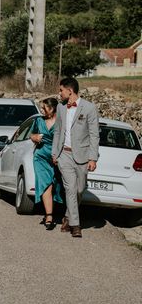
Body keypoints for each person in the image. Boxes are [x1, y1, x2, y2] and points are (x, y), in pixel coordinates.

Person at [52, 77, 100, 238]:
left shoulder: (89, 108)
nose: (59, 94)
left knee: (79, 190)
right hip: (64, 154)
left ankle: (67, 216)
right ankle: (75, 225)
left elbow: (94, 135)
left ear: (70, 90)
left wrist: (93, 158)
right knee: (70, 188)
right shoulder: (60, 108)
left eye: (61, 90)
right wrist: (54, 153)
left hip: (83, 156)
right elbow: (57, 131)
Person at [30, 97, 63, 230]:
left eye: (44, 108)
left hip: (58, 157)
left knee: (59, 186)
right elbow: (31, 135)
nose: (42, 110)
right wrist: (35, 138)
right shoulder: (38, 120)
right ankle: (49, 216)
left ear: (52, 108)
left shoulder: (62, 123)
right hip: (41, 157)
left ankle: (63, 213)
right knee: (46, 184)